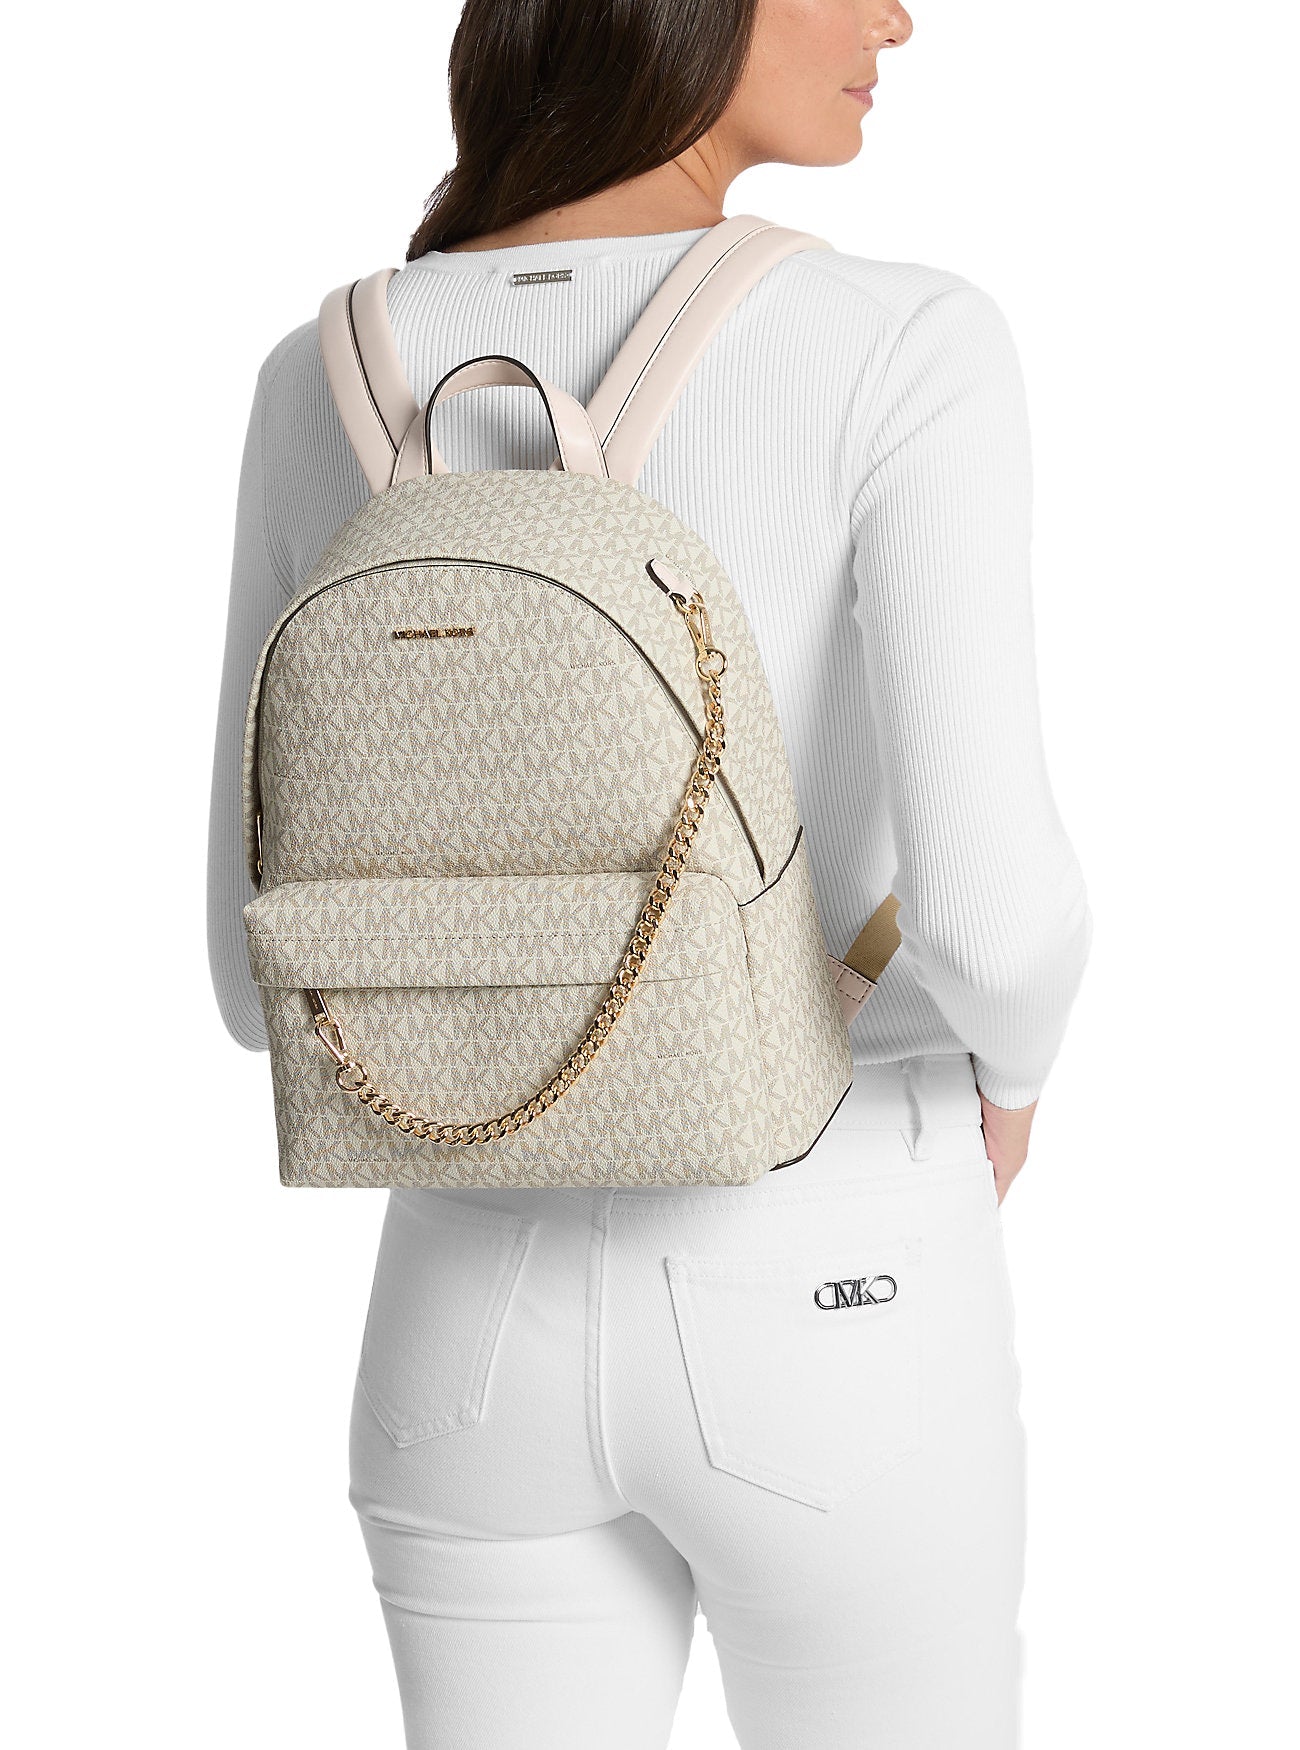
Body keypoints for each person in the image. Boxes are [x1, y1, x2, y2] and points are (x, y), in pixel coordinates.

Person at [207, 1, 1092, 1743]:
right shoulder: (903, 339)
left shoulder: (324, 371)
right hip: (838, 1265)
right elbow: (998, 922)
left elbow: (255, 982)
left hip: (461, 1303)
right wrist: (1019, 1077)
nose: (898, 16)